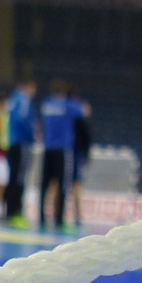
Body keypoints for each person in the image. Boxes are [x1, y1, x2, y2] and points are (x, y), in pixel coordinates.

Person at [38, 80, 84, 230]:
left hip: (48, 148)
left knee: (45, 184)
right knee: (63, 184)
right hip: (63, 149)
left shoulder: (46, 105)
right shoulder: (68, 106)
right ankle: (59, 219)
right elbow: (82, 111)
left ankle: (41, 217)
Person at [2, 79, 36, 226]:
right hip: (21, 142)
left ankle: (8, 211)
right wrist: (33, 135)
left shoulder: (11, 100)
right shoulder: (23, 100)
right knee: (19, 177)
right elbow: (23, 120)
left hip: (11, 142)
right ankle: (16, 212)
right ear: (28, 87)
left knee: (12, 177)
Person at [71, 90, 92, 228]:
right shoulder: (79, 120)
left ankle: (77, 214)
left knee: (62, 183)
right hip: (76, 154)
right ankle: (77, 215)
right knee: (76, 184)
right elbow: (86, 139)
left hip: (76, 154)